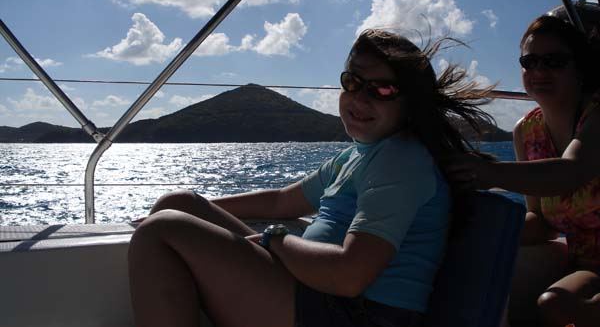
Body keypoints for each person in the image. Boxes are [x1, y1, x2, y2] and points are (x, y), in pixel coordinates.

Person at [128, 28, 495, 327]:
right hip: (319, 293)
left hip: (359, 313)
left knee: (161, 231)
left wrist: (275, 240)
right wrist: (201, 212)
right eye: (353, 82)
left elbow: (350, 276)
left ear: (411, 103)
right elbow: (281, 201)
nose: (360, 98)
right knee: (179, 204)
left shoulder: (400, 160)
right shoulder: (356, 156)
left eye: (382, 90)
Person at [446, 13, 600, 327]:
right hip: (589, 263)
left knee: (556, 304)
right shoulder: (526, 131)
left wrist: (488, 173)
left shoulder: (596, 116)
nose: (539, 71)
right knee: (554, 304)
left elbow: (571, 172)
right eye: (530, 62)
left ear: (579, 67)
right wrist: (473, 232)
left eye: (554, 61)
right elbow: (541, 222)